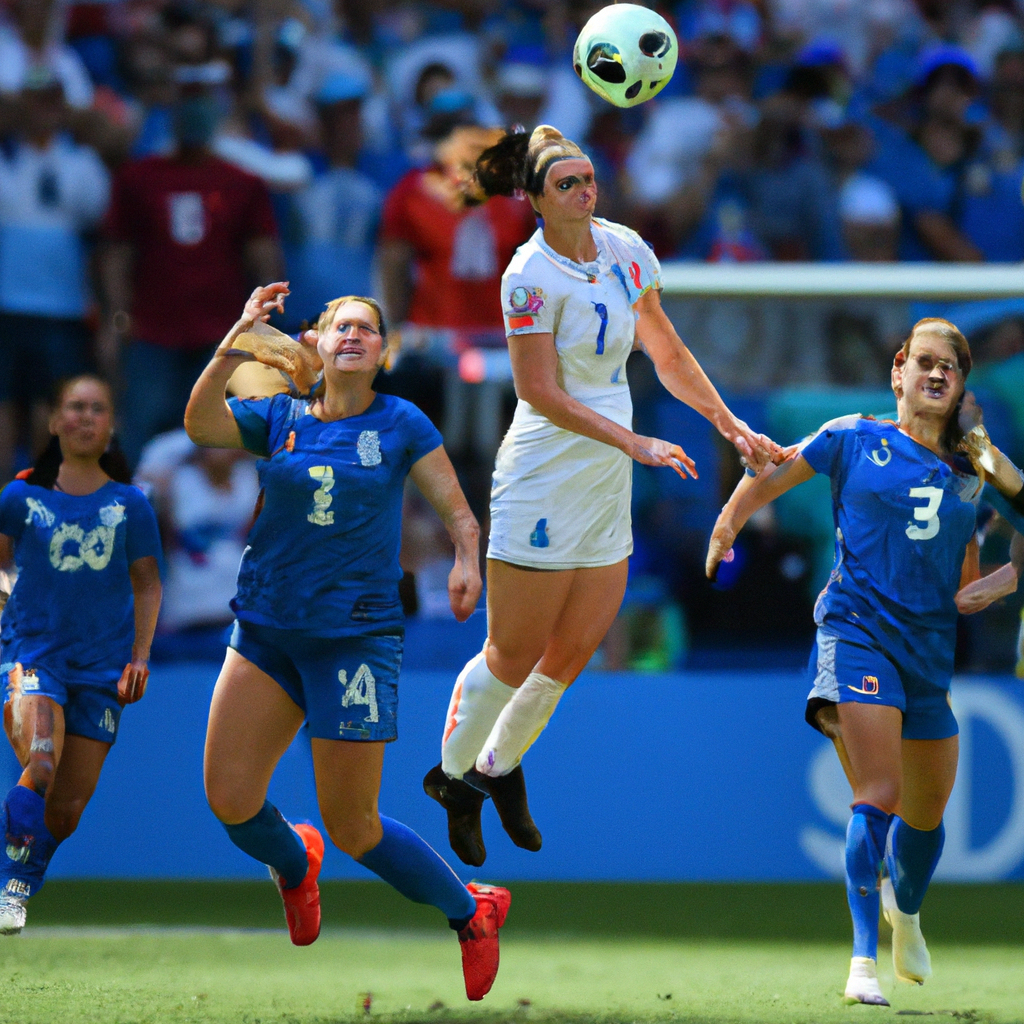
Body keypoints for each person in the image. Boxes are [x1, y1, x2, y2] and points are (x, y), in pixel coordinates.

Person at [423, 124, 779, 868]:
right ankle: (452, 778)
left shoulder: (625, 252)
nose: (585, 192)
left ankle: (493, 769)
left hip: (605, 476)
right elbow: (538, 392)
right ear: (532, 200)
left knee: (573, 650)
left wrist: (726, 423)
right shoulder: (527, 276)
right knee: (511, 652)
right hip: (545, 473)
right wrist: (636, 442)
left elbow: (667, 349)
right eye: (567, 184)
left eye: (589, 179)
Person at [183, 283, 509, 1002]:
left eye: (368, 329)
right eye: (341, 328)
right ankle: (295, 861)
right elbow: (201, 424)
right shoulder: (280, 415)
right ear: (317, 345)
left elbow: (458, 511)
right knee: (230, 801)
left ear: (384, 352)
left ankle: (472, 911)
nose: (354, 336)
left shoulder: (402, 423)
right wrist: (236, 337)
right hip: (266, 629)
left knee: (355, 827)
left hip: (354, 640)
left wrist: (464, 558)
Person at [704, 318, 1024, 1005]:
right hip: (857, 633)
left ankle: (904, 911)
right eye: (926, 362)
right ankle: (860, 961)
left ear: (962, 385)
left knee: (925, 821)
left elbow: (989, 562)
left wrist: (1001, 583)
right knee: (878, 793)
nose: (938, 374)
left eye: (952, 368)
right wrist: (728, 525)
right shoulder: (852, 436)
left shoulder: (975, 473)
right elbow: (773, 477)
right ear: (899, 373)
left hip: (929, 655)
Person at [0, 375, 162, 934]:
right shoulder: (21, 496)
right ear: (53, 420)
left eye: (97, 408)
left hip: (102, 669)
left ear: (111, 423)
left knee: (65, 811)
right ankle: (7, 887)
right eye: (74, 407)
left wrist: (140, 655)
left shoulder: (130, 504)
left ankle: (19, 883)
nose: (85, 417)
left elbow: (147, 584)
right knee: (40, 761)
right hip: (34, 658)